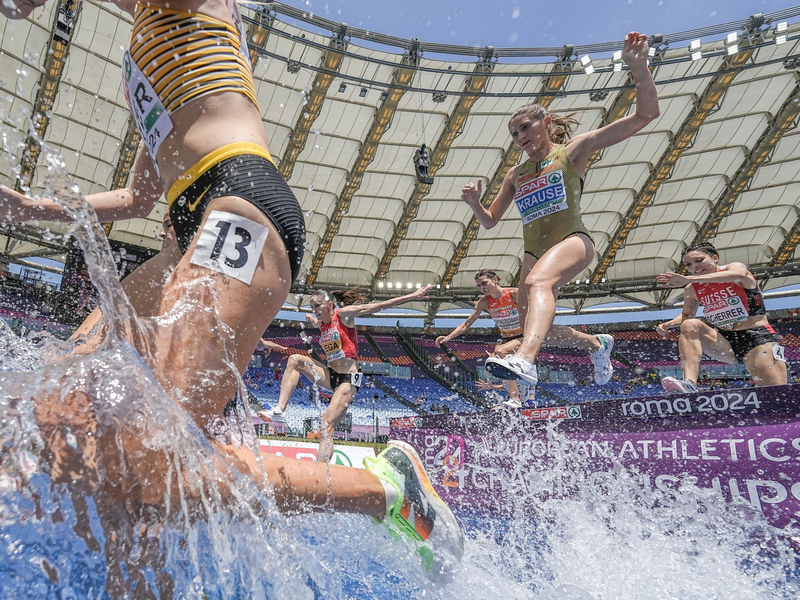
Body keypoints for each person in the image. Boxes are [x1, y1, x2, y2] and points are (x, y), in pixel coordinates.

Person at [0, 0, 463, 586]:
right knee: (57, 418)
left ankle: (386, 487)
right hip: (190, 226)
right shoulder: (151, 54)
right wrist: (30, 210)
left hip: (239, 206)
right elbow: (141, 198)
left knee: (153, 467)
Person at [461, 32, 658, 389]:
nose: (519, 136)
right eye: (513, 133)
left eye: (525, 127)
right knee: (536, 324)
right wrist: (476, 204)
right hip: (533, 250)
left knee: (538, 284)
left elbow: (646, 115)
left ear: (546, 122)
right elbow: (490, 222)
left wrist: (638, 67)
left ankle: (526, 361)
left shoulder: (572, 152)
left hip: (571, 239)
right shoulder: (515, 174)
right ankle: (596, 345)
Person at [259, 285, 432, 462]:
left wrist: (413, 296)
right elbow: (317, 323)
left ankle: (320, 469)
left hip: (348, 380)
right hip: (330, 374)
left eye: (317, 306)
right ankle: (280, 409)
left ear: (329, 305)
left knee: (326, 426)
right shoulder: (323, 323)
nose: (315, 310)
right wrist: (312, 318)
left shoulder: (343, 315)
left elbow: (375, 307)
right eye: (312, 307)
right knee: (295, 360)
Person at [436, 269, 615, 408]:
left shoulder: (514, 294)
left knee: (500, 352)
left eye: (484, 283)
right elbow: (467, 323)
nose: (482, 288)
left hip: (526, 335)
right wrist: (448, 337)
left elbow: (538, 305)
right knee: (502, 353)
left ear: (495, 280)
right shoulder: (484, 302)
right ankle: (594, 342)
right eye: (479, 286)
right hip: (510, 339)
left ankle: (514, 398)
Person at [655, 241, 787, 392]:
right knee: (690, 324)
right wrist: (670, 323)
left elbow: (739, 274)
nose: (694, 267)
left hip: (757, 338)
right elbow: (686, 315)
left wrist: (690, 278)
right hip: (725, 341)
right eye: (688, 265)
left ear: (715, 258)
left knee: (776, 392)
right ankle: (689, 383)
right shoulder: (692, 289)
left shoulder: (733, 268)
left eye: (699, 261)